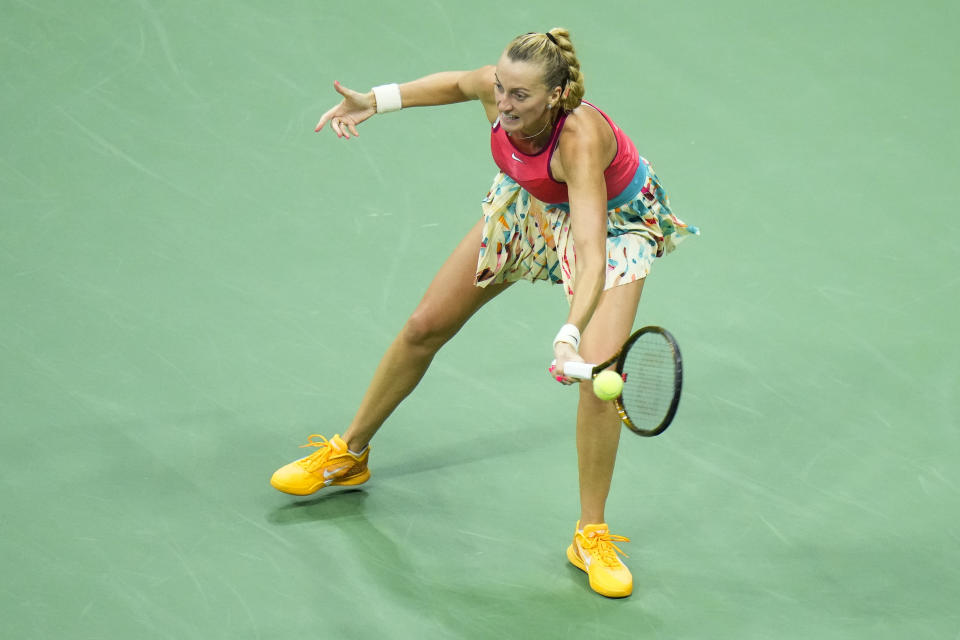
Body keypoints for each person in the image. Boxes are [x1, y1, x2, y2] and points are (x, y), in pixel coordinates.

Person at [270, 28, 698, 599]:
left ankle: (589, 533)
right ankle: (350, 454)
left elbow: (592, 253)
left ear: (556, 96)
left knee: (598, 372)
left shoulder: (579, 140)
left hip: (613, 229)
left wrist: (570, 335)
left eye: (520, 96)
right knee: (425, 325)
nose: (504, 104)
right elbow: (451, 85)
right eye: (501, 89)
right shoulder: (498, 93)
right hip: (533, 203)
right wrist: (376, 99)